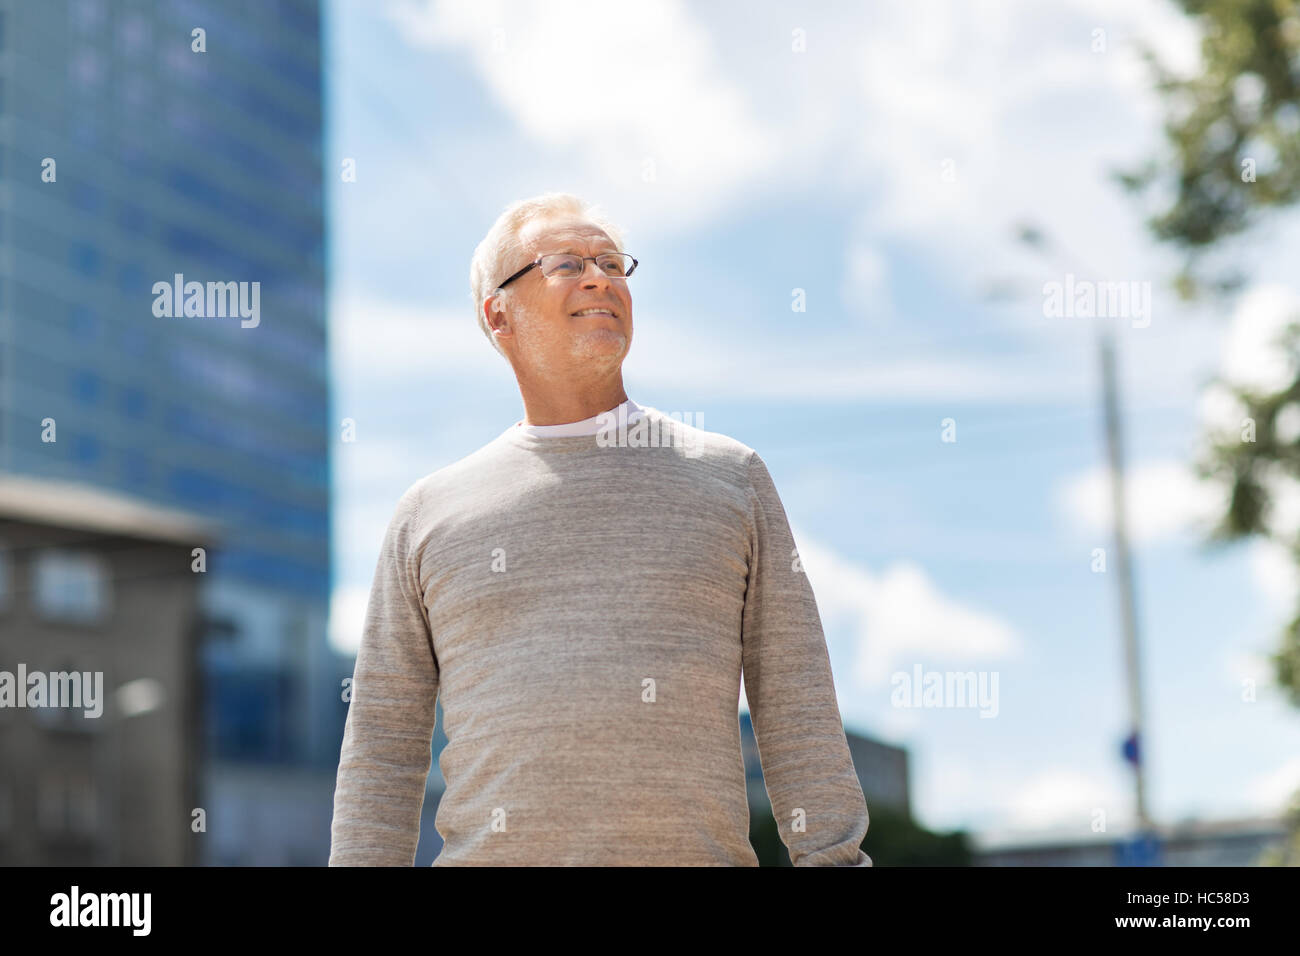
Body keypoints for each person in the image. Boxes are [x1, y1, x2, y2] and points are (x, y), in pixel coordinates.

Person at [328, 191, 871, 866]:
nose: (600, 279)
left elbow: (796, 703)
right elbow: (383, 745)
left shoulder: (730, 477)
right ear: (499, 314)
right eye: (566, 263)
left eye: (613, 263)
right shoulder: (429, 512)